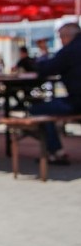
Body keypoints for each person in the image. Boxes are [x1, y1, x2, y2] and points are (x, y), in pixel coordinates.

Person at [30, 22, 81, 165]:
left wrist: (44, 53)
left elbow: (46, 69)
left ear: (67, 36)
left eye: (60, 38)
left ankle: (55, 151)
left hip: (77, 102)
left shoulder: (69, 51)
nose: (61, 41)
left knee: (37, 109)